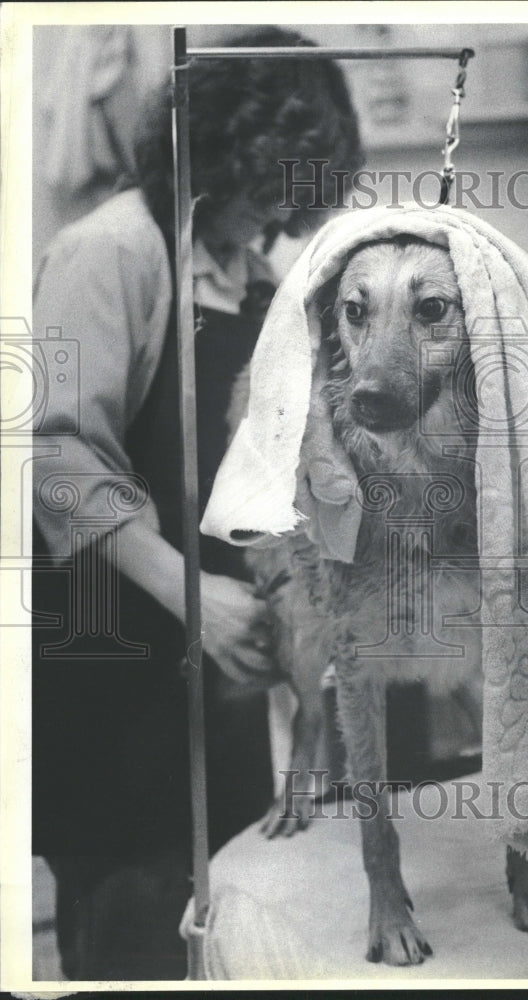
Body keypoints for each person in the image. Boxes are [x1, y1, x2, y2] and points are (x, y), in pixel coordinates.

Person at [31, 26, 362, 980]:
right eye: (264, 189)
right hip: (112, 657)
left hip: (210, 672)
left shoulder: (249, 276)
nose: (270, 222)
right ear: (215, 154)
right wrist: (194, 597)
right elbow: (52, 454)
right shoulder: (111, 254)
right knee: (135, 917)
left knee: (224, 914)